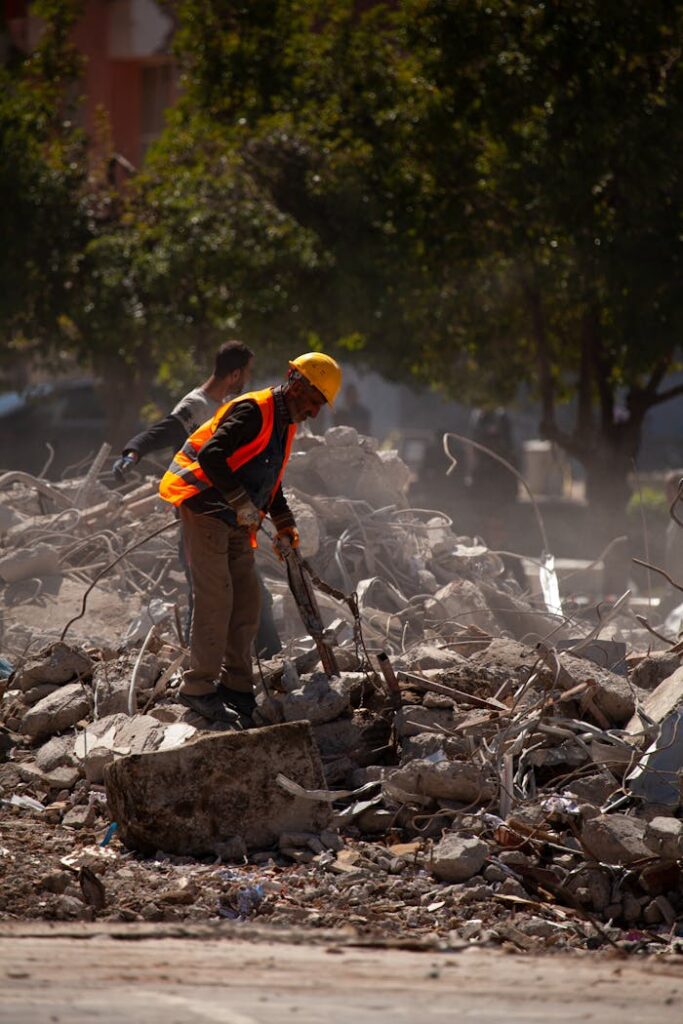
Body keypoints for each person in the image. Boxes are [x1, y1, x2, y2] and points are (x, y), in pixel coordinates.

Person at [158, 351, 342, 726]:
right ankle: (198, 688)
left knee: (248, 599)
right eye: (313, 400)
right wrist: (241, 502)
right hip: (205, 508)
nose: (314, 412)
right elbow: (211, 457)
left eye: (321, 404)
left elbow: (269, 484)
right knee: (217, 597)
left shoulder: (285, 424)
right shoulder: (255, 410)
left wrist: (286, 525)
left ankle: (237, 687)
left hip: (237, 520)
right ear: (295, 383)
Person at [111, 341, 281, 657]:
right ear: (234, 374)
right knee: (204, 597)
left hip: (227, 518)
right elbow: (160, 431)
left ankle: (268, 661)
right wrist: (132, 453)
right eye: (247, 372)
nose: (249, 378)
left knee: (251, 593)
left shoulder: (228, 404)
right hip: (198, 518)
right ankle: (197, 666)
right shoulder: (196, 406)